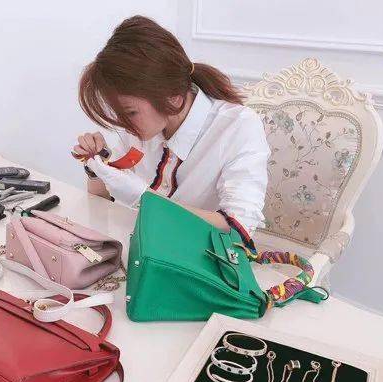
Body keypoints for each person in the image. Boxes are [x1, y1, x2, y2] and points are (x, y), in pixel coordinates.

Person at [73, 15, 270, 234]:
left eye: (130, 112)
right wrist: (96, 169)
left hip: (198, 251)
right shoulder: (143, 127)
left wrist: (145, 198)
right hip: (139, 243)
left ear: (173, 98)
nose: (123, 124)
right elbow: (104, 209)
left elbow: (238, 229)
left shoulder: (238, 127)